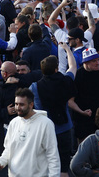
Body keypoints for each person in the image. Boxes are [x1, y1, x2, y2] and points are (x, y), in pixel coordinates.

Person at [0, 88, 60, 177]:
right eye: (16, 104)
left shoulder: (46, 124)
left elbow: (52, 155)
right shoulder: (14, 123)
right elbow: (8, 149)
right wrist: (1, 162)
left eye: (21, 104)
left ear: (31, 105)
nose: (17, 108)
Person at [31, 49, 78, 177]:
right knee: (63, 166)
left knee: (47, 165)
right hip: (65, 127)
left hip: (45, 130)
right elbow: (73, 66)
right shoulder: (65, 80)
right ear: (56, 69)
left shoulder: (35, 87)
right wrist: (67, 49)